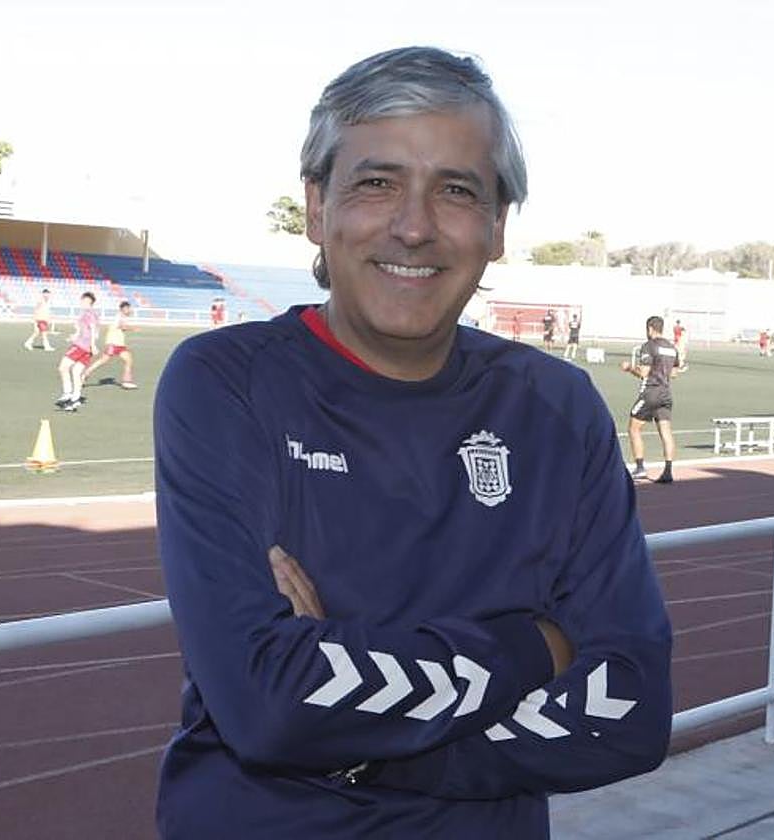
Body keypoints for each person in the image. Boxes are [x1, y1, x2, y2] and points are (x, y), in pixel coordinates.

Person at [153, 46, 672, 839]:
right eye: (376, 182)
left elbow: (629, 710)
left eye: (457, 191)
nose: (415, 224)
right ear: (316, 206)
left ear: (497, 227)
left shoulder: (556, 409)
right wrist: (538, 645)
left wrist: (350, 739)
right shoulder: (228, 385)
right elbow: (265, 703)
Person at [620, 315, 680, 483]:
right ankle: (668, 470)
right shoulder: (671, 347)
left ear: (650, 329)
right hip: (666, 393)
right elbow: (674, 373)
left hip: (651, 392)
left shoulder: (648, 346)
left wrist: (629, 368)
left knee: (634, 428)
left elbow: (643, 373)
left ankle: (640, 468)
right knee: (666, 431)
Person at [55, 291, 99, 411]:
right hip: (85, 346)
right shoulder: (86, 313)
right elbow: (83, 330)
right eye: (82, 301)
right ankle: (75, 398)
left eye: (86, 301)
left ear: (90, 303)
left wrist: (93, 345)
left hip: (82, 346)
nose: (83, 303)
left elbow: (93, 329)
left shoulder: (89, 313)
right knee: (76, 372)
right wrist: (74, 336)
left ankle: (67, 393)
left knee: (63, 367)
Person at [82, 300, 138, 389]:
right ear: (124, 309)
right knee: (103, 361)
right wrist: (132, 328)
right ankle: (85, 374)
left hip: (120, 344)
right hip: (113, 343)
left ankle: (127, 382)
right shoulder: (119, 317)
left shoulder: (121, 317)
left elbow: (120, 328)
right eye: (128, 309)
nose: (130, 311)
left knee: (128, 360)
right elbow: (122, 326)